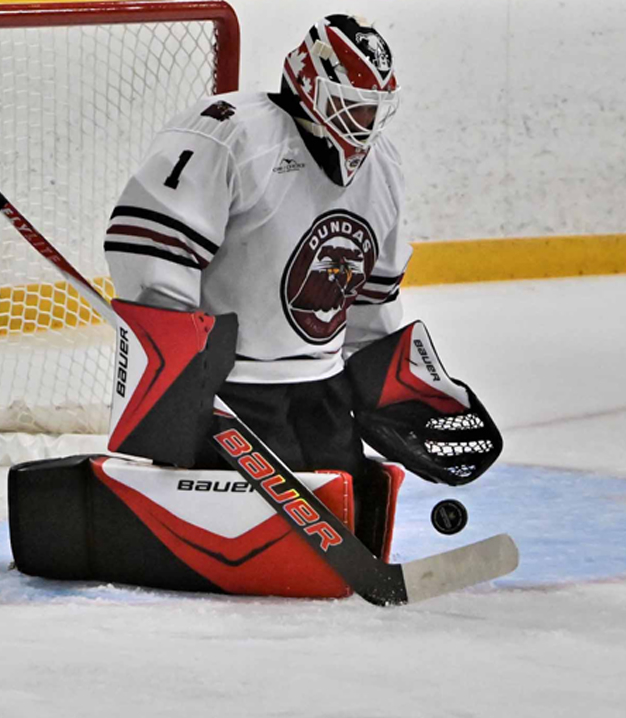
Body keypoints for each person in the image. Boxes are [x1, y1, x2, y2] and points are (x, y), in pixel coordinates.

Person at [104, 13, 408, 527]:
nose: (362, 125)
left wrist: (392, 387)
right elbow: (153, 251)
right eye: (350, 105)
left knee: (349, 511)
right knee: (275, 525)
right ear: (310, 84)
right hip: (231, 386)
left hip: (321, 382)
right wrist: (182, 374)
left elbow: (373, 295)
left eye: (372, 110)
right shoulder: (232, 132)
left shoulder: (384, 168)